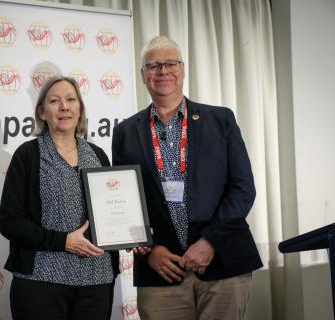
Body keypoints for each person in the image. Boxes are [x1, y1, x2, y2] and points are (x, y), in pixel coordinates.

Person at [112, 36, 263, 320]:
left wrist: (210, 242)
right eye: (153, 65)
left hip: (223, 259)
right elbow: (125, 201)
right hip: (160, 270)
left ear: (183, 69)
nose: (163, 71)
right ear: (143, 74)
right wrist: (150, 250)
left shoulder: (221, 120)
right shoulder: (125, 133)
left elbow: (243, 188)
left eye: (171, 63)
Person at [0, 76, 119, 320]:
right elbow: (10, 222)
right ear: (42, 112)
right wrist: (62, 241)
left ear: (80, 110)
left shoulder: (98, 155)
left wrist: (128, 231)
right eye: (54, 101)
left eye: (71, 100)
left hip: (96, 282)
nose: (64, 106)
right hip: (40, 281)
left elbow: (111, 212)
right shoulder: (28, 155)